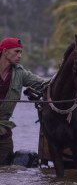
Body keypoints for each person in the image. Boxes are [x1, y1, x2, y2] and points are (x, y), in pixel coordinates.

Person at [0, 37, 46, 165]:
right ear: (5, 52)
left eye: (21, 52)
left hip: (3, 133)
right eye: (16, 52)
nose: (20, 56)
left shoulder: (20, 73)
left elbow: (44, 85)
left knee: (5, 172)